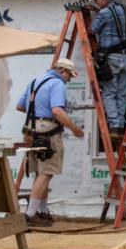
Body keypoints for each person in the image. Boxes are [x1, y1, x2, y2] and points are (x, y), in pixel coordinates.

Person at [15, 58, 85, 226]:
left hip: (31, 130)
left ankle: (42, 210)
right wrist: (75, 128)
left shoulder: (34, 82)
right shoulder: (57, 83)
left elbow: (20, 106)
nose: (69, 79)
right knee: (46, 173)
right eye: (69, 75)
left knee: (41, 173)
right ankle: (30, 214)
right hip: (48, 132)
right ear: (62, 71)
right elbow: (57, 111)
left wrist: (38, 113)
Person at [88, 0, 126, 144]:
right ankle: (120, 127)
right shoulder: (124, 9)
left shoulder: (104, 13)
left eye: (97, 0)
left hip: (112, 57)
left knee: (109, 93)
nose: (97, 2)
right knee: (121, 93)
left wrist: (95, 13)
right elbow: (113, 18)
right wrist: (97, 10)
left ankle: (114, 126)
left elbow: (92, 30)